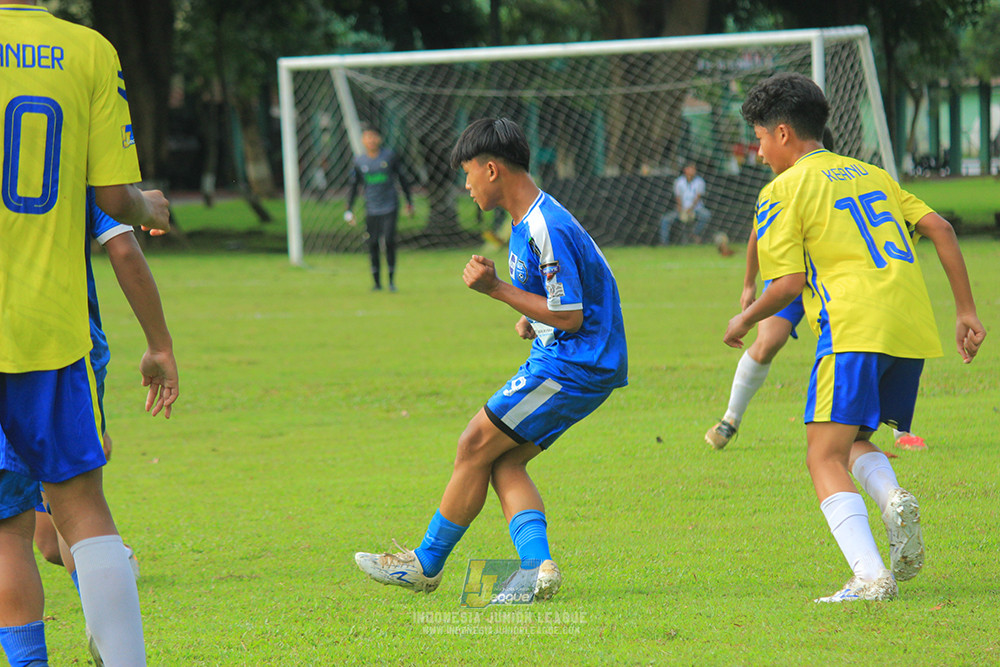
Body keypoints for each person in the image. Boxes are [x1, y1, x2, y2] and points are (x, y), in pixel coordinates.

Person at [723, 72, 985, 602]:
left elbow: (790, 284)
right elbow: (941, 228)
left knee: (821, 454)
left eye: (758, 137)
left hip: (850, 328)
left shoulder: (782, 189)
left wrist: (745, 318)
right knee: (851, 438)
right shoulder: (873, 174)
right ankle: (891, 498)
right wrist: (965, 311)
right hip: (909, 328)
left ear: (781, 134)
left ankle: (869, 576)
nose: (757, 150)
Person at [354, 118, 628, 601]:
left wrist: (497, 289)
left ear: (493, 169)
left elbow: (569, 316)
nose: (466, 184)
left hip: (574, 363)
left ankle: (425, 565)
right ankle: (536, 569)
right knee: (502, 463)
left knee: (472, 442)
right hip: (572, 358)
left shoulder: (545, 224)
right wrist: (530, 317)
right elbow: (560, 300)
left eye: (468, 173)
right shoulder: (526, 224)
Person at [0, 3, 175, 665]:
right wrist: (148, 203)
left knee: (5, 530)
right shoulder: (86, 50)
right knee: (82, 510)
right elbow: (112, 199)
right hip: (51, 329)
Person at [706, 128, 930, 453]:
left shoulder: (832, 182)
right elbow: (758, 232)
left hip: (838, 278)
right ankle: (730, 419)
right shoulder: (778, 190)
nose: (759, 154)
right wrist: (748, 284)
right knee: (768, 341)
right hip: (790, 278)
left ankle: (898, 430)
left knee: (871, 339)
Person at [344, 125, 414, 291]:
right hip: (371, 208)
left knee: (389, 241)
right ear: (363, 140)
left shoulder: (389, 157)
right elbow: (353, 187)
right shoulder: (359, 161)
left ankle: (391, 281)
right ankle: (376, 283)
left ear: (379, 138)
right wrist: (349, 209)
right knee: (372, 243)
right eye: (367, 137)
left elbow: (403, 179)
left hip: (390, 206)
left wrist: (409, 202)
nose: (371, 140)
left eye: (374, 136)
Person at [659, 162, 711, 245]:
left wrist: (690, 209)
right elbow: (678, 198)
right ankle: (664, 244)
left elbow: (697, 198)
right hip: (682, 209)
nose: (692, 171)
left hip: (696, 209)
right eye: (690, 168)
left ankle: (694, 234)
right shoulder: (679, 181)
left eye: (694, 169)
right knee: (665, 220)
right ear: (685, 170)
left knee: (706, 215)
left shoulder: (700, 182)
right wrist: (681, 211)